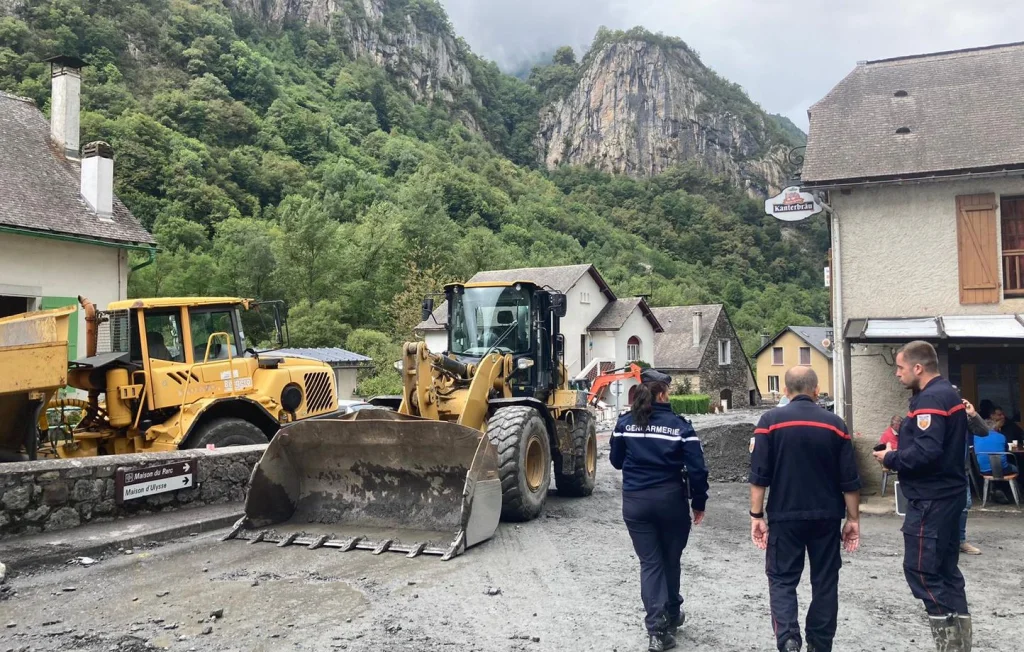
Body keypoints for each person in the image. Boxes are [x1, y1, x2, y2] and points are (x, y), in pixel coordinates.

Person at [749, 366, 861, 652]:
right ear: (816, 390)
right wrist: (853, 519)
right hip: (826, 516)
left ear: (785, 391)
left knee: (782, 578)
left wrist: (756, 516)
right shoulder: (836, 425)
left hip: (785, 516)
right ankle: (820, 643)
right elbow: (849, 479)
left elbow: (759, 475)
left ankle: (787, 637)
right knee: (825, 579)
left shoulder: (769, 422)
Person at [872, 341, 971, 651]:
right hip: (948, 494)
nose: (897, 375)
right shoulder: (948, 394)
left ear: (918, 368)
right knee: (946, 570)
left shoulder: (930, 399)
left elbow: (927, 452)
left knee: (921, 570)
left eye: (900, 368)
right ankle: (961, 644)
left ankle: (951, 646)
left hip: (931, 498)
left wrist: (890, 458)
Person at [610, 368, 709, 652]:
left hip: (636, 503)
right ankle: (671, 616)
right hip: (671, 502)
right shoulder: (681, 427)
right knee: (670, 559)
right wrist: (699, 502)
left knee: (650, 563)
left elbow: (616, 462)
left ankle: (657, 629)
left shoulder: (624, 423)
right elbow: (698, 469)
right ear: (663, 393)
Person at [960, 400, 991, 555]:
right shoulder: (938, 417)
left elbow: (984, 431)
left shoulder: (963, 417)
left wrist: (972, 413)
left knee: (964, 505)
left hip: (961, 470)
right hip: (941, 471)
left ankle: (960, 541)